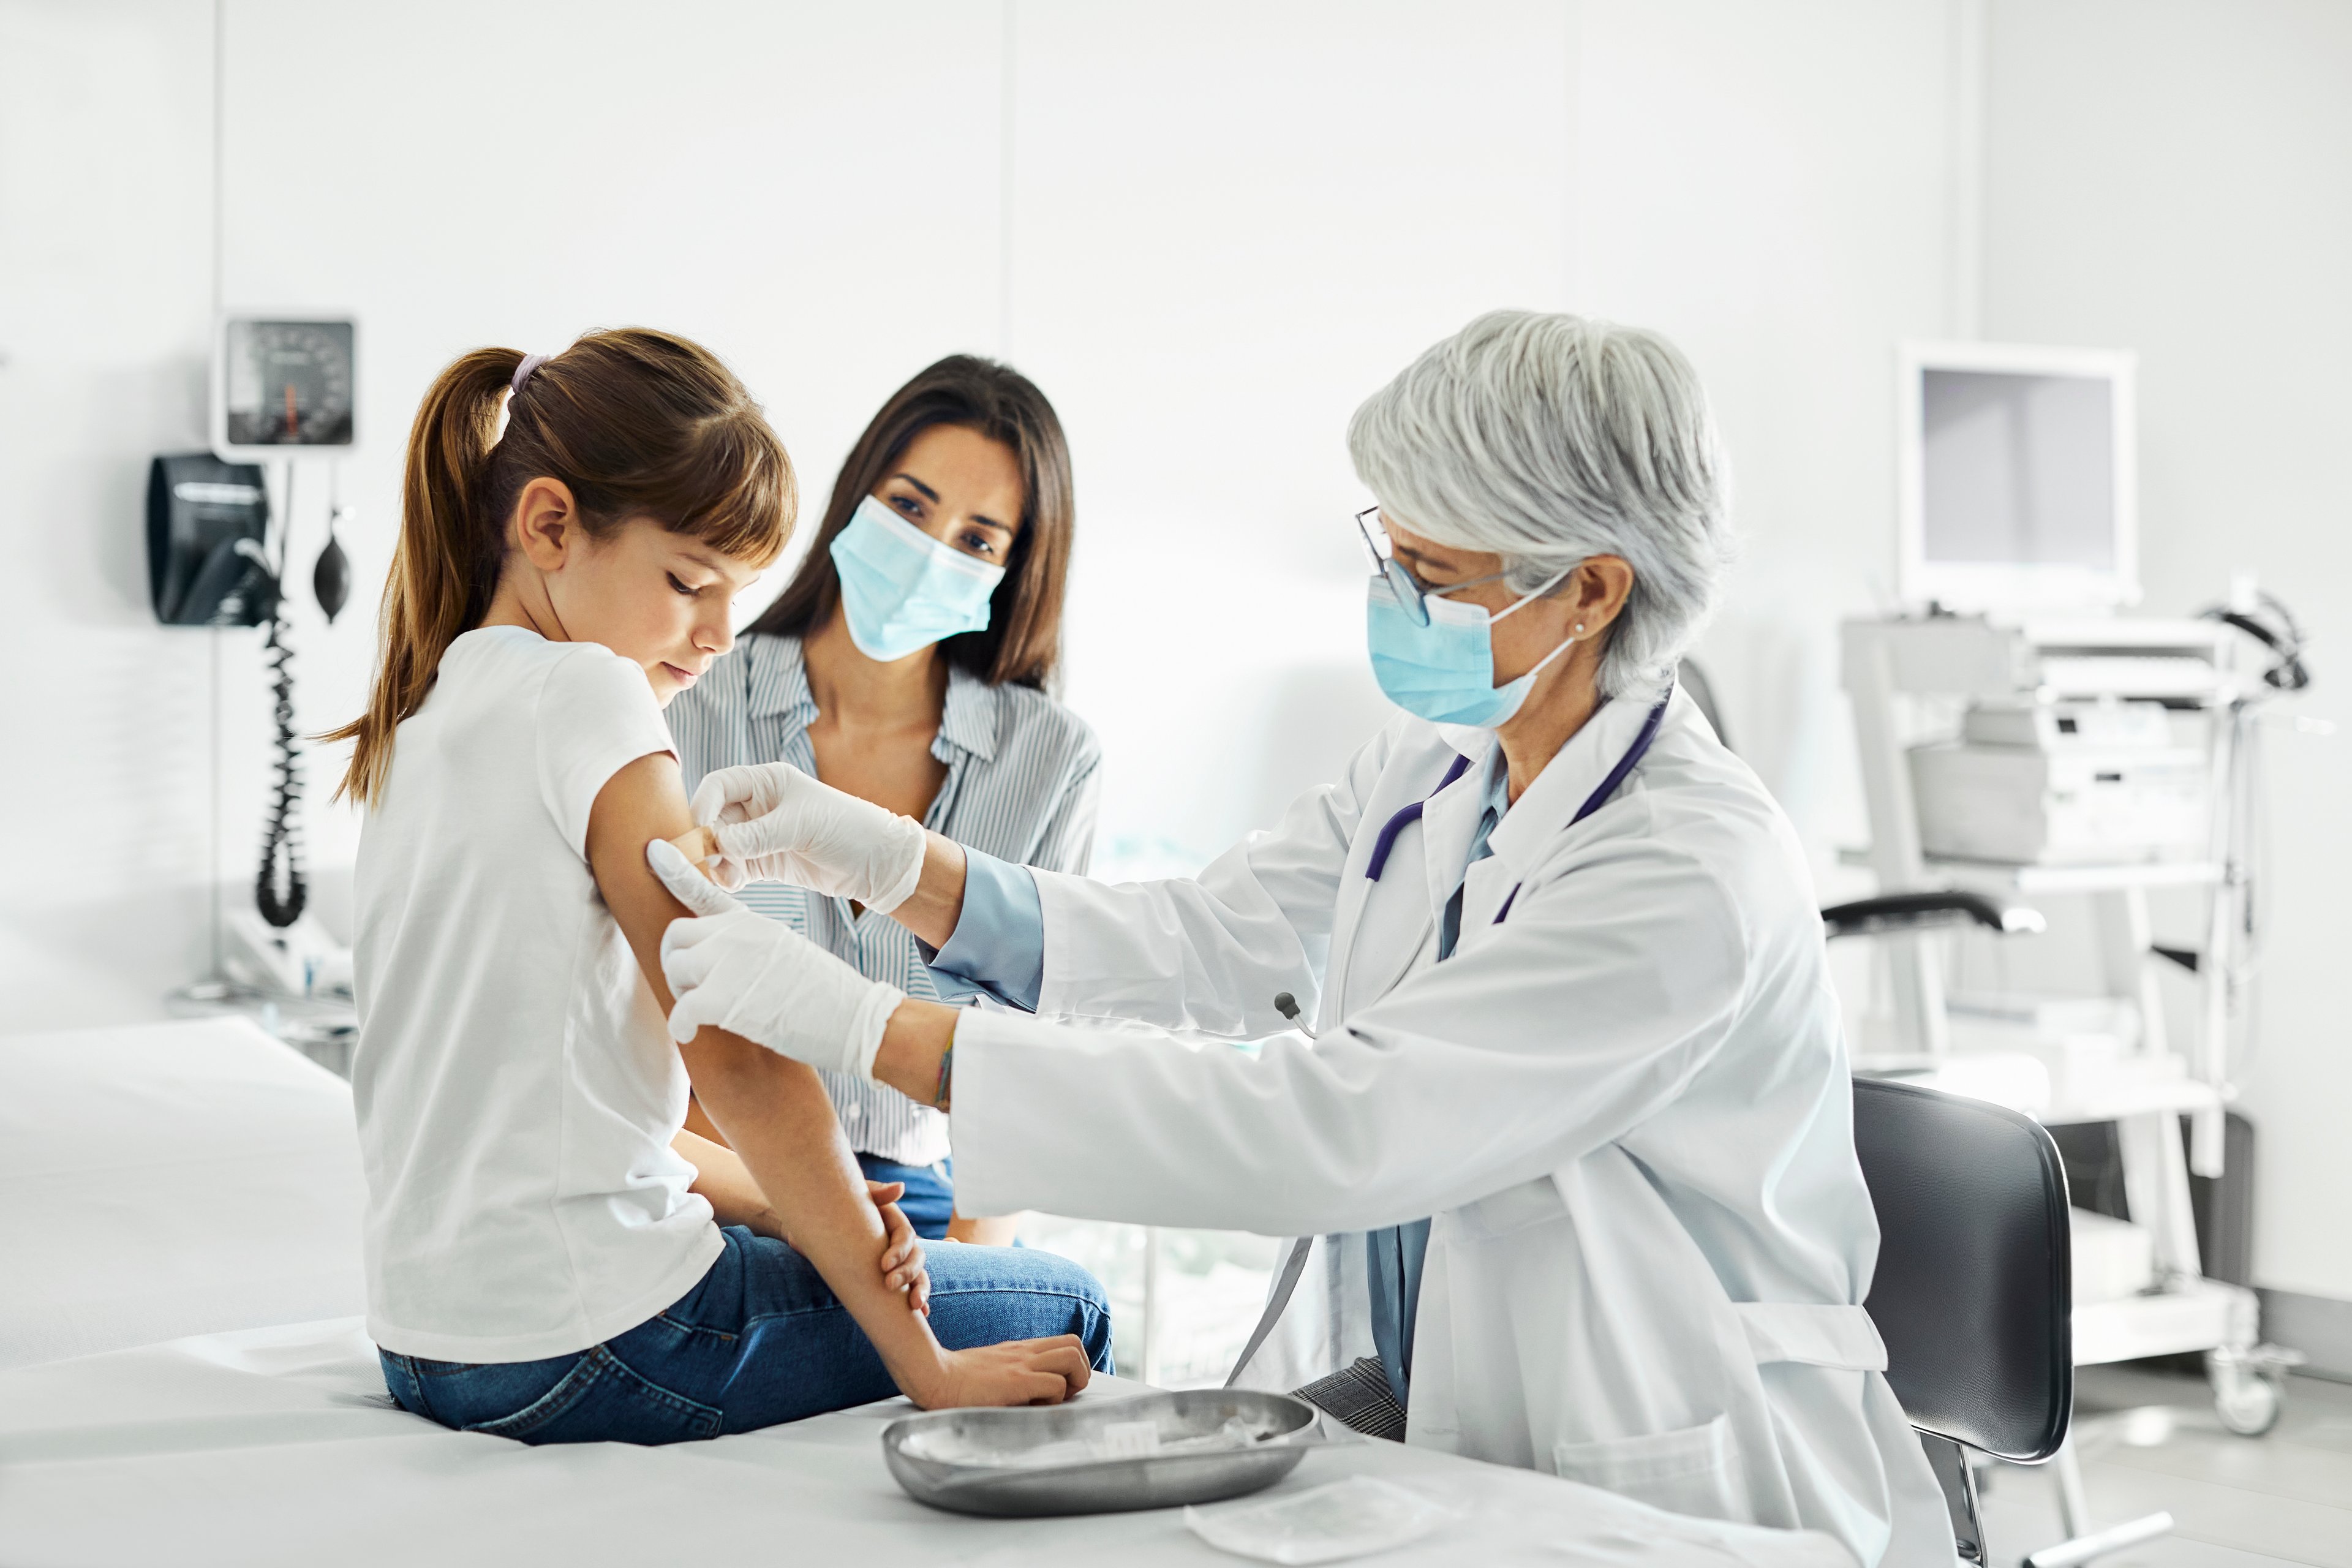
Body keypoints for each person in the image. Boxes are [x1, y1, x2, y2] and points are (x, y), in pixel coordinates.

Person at [643, 310, 1953, 1563]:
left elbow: (1337, 1125)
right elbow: (1208, 935)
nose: (1391, 595)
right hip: (1450, 1389)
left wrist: (870, 1028)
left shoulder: (1686, 867)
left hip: (1675, 1457)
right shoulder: (1441, 767)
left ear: (1592, 591)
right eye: (1393, 551)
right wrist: (890, 862)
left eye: (1432, 575)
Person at [331, 328, 1109, 1446]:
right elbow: (734, 1040)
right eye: (692, 584)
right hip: (597, 1331)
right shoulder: (595, 694)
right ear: (548, 525)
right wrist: (925, 1365)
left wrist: (777, 1207)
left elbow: (546, 1102)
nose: (714, 636)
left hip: (432, 1346)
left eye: (736, 594)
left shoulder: (425, 714)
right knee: (1067, 1303)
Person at [666, 355, 1091, 1245]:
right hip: (711, 1183)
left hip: (924, 1205)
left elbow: (1032, 1064)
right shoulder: (691, 696)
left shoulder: (1051, 761)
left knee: (1069, 1324)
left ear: (1012, 571)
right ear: (859, 497)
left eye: (978, 540)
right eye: (910, 506)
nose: (931, 552)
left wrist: (968, 1283)